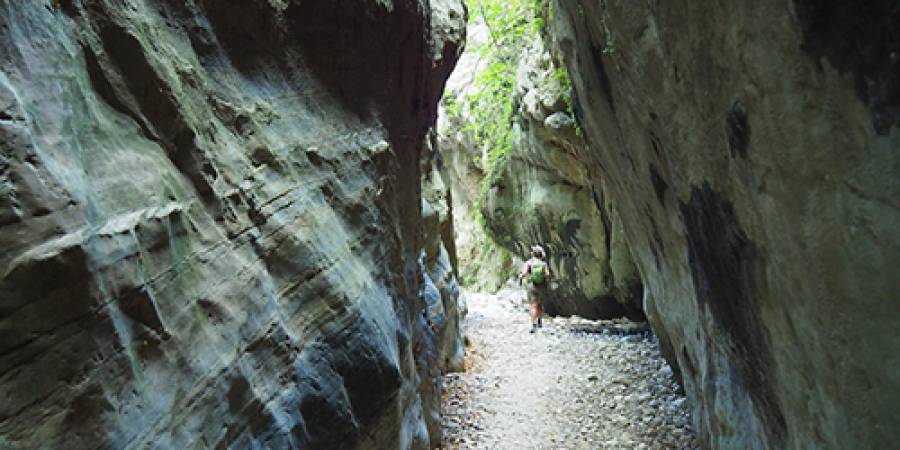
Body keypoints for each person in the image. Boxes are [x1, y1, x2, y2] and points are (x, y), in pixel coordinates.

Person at [519, 245, 552, 333]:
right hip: (542, 286)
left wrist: (521, 276)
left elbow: (524, 273)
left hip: (531, 286)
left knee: (533, 305)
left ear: (533, 254)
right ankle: (539, 320)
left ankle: (533, 324)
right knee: (540, 304)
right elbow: (548, 274)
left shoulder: (529, 263)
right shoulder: (543, 264)